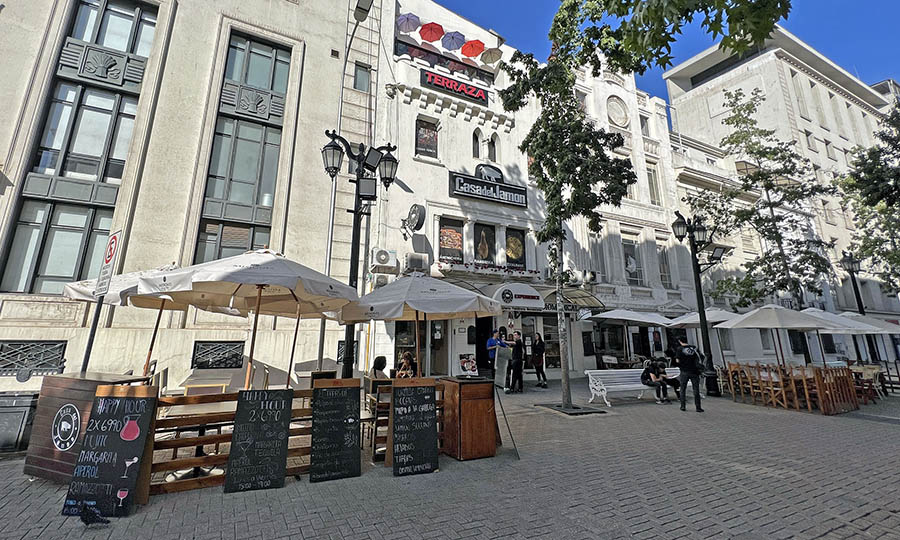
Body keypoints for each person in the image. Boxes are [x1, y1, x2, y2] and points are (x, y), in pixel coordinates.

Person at [676, 337, 704, 412]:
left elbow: (677, 360)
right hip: (694, 371)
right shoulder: (694, 348)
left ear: (680, 341)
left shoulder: (680, 349)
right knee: (696, 390)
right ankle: (698, 407)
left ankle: (683, 406)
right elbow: (701, 357)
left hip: (684, 371)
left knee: (682, 389)